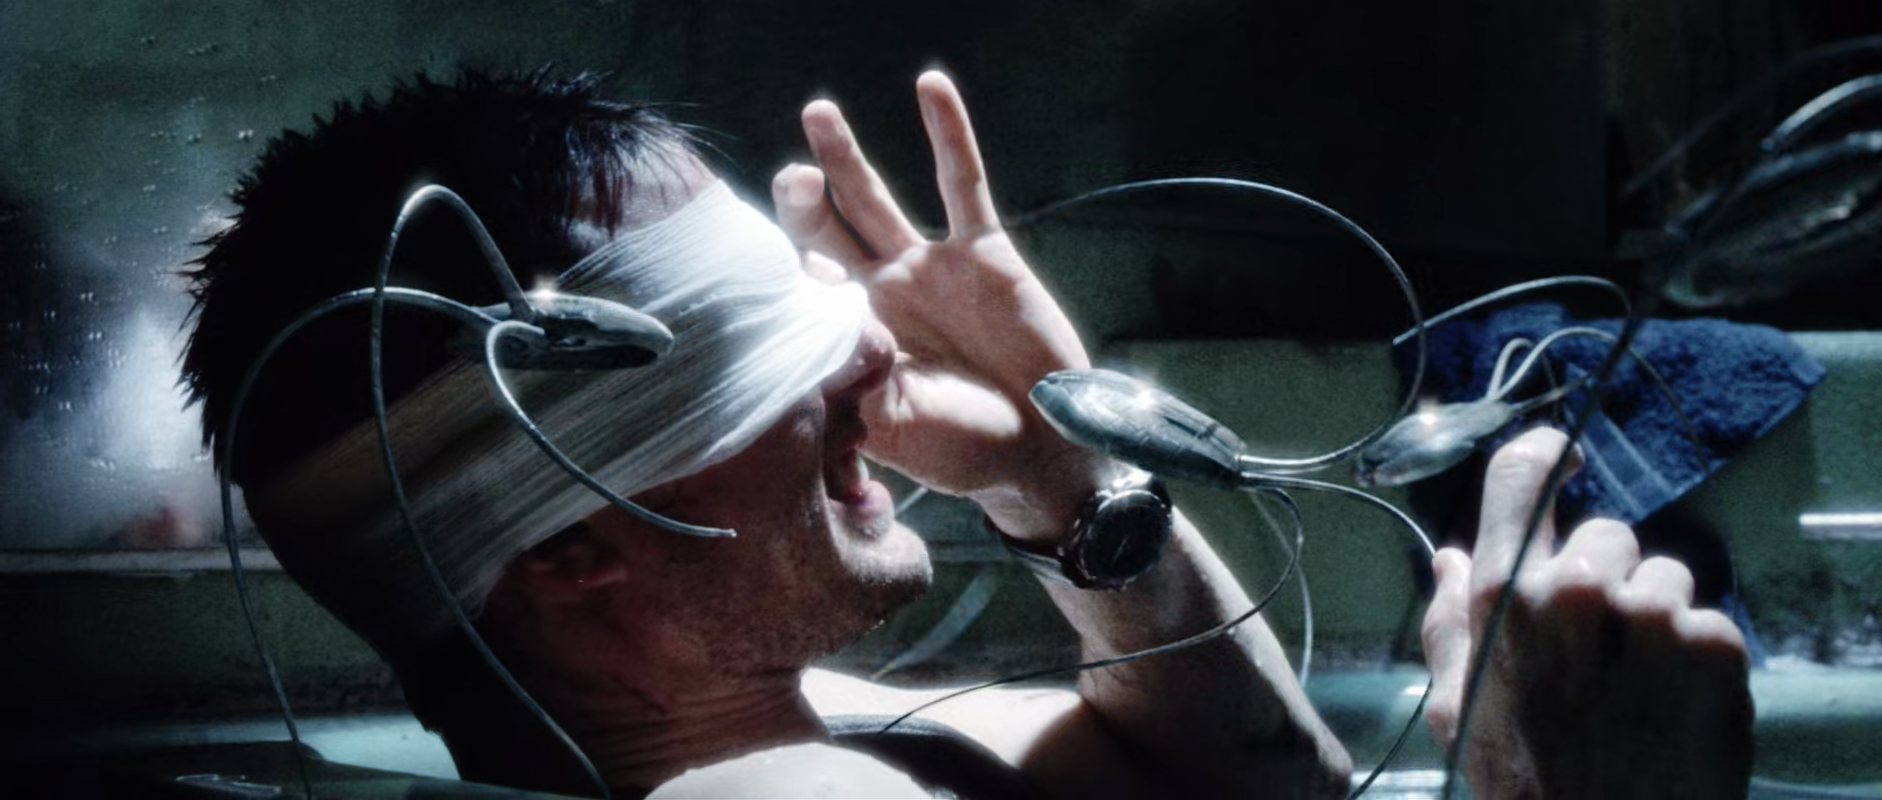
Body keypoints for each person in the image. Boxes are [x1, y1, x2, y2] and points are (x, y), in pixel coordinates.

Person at [181, 67, 1751, 799]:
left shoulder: (811, 734)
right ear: (575, 544)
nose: (872, 348)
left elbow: (1271, 797)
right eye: (761, 352)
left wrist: (1057, 469)